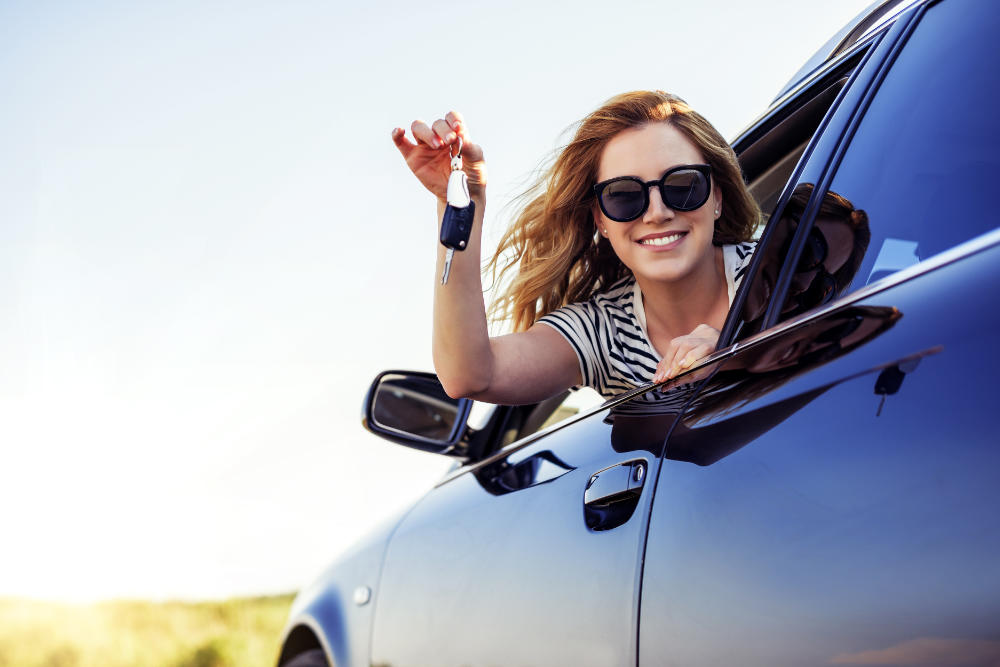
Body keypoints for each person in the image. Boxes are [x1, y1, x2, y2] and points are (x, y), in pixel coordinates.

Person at [391, 90, 760, 404]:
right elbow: (469, 376)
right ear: (600, 219)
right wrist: (461, 205)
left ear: (716, 197)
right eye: (623, 195)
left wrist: (741, 347)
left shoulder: (783, 268)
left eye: (682, 185)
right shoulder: (603, 331)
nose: (657, 212)